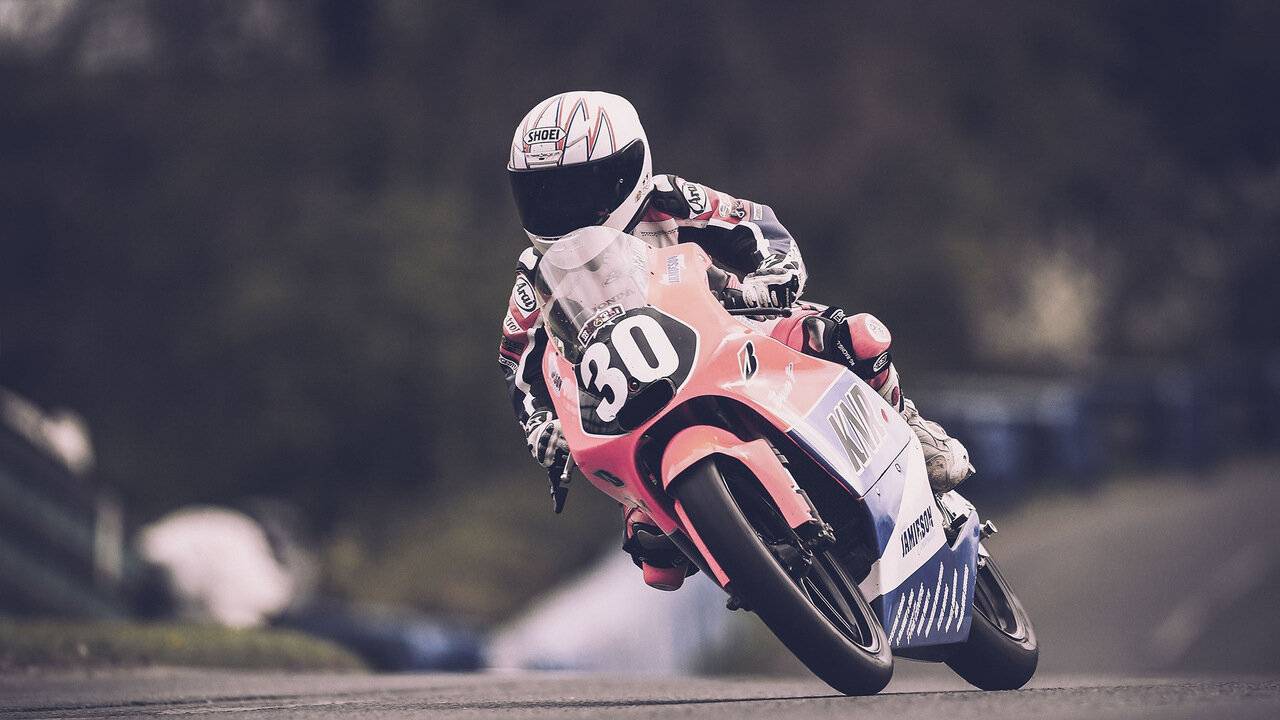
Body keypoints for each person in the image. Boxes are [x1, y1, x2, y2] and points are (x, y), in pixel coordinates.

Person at [499, 91, 972, 591]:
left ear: (626, 172)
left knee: (847, 338)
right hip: (632, 406)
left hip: (732, 332)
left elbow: (757, 225)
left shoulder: (670, 200)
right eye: (543, 196)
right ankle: (755, 563)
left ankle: (908, 427)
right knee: (655, 556)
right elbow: (516, 359)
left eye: (577, 191)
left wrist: (774, 276)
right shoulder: (537, 275)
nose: (562, 212)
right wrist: (540, 425)